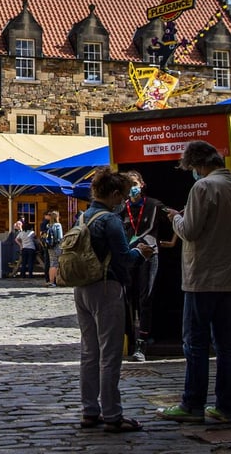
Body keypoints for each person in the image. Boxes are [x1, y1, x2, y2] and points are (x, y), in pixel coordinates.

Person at [157, 141, 231, 425]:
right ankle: (226, 406)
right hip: (230, 274)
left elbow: (191, 230)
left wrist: (176, 218)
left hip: (202, 276)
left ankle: (192, 403)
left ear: (197, 165)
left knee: (195, 343)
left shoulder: (203, 188)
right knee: (226, 345)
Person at [75, 169, 153, 434]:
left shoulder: (82, 217)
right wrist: (141, 252)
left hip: (82, 288)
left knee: (89, 352)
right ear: (116, 193)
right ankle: (112, 414)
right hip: (107, 287)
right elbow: (123, 258)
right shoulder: (110, 220)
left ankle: (89, 410)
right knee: (110, 354)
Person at [119, 171, 177, 361]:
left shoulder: (153, 204)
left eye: (134, 183)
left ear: (142, 184)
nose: (132, 188)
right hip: (128, 256)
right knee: (128, 299)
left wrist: (173, 241)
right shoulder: (122, 208)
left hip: (149, 256)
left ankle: (142, 345)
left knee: (146, 298)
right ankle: (129, 339)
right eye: (128, 185)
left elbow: (176, 217)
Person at [42, 210, 64, 287]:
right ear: (57, 217)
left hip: (50, 246)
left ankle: (51, 281)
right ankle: (58, 280)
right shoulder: (58, 225)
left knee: (52, 264)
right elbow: (60, 237)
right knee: (58, 263)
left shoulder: (49, 225)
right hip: (57, 246)